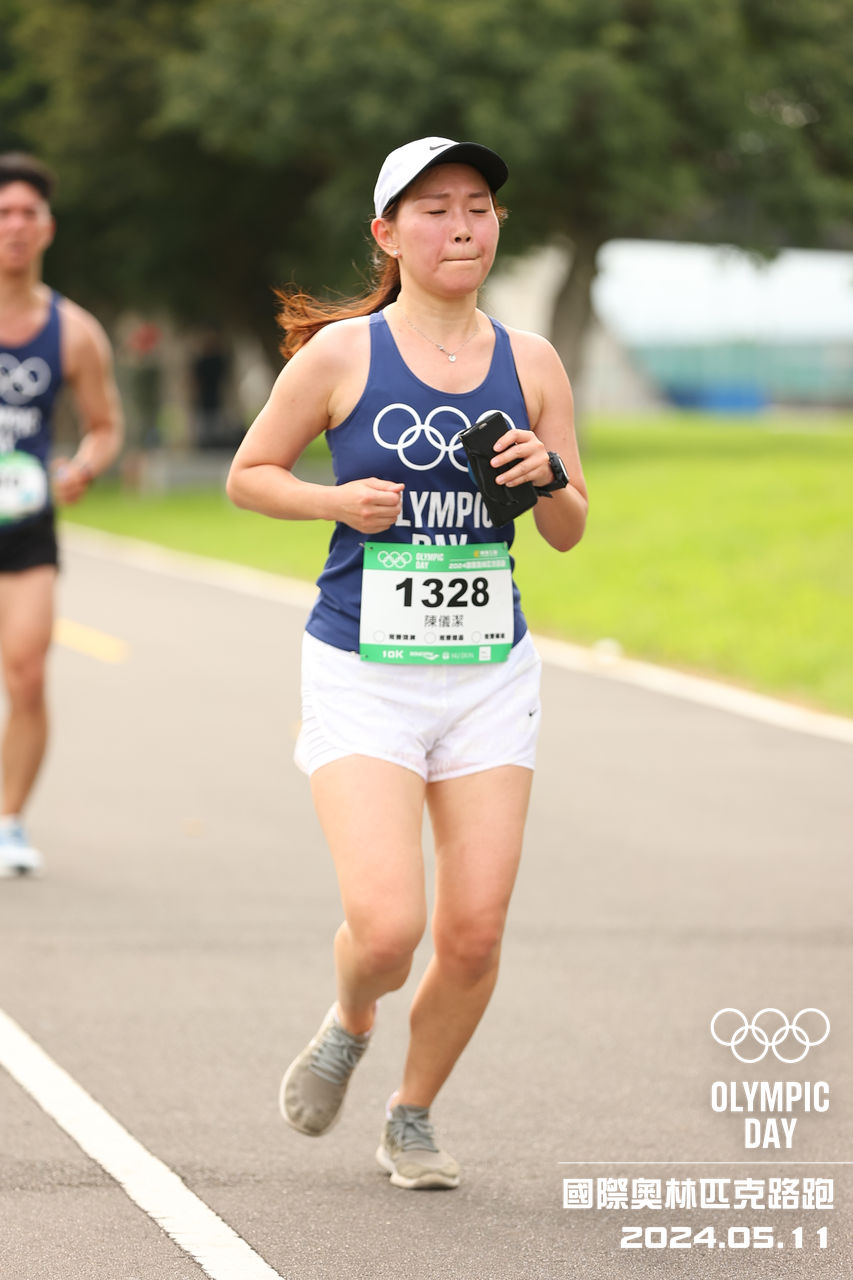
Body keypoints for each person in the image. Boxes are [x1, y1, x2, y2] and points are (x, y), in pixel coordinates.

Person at [226, 137, 588, 1189]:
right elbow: (250, 474)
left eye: (478, 207)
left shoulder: (532, 362)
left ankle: (411, 1114)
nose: (461, 226)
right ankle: (351, 1017)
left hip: (487, 675)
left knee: (471, 934)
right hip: (362, 668)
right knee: (388, 928)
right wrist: (333, 501)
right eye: (434, 209)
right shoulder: (341, 356)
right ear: (387, 234)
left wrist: (546, 472)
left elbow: (567, 529)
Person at [0, 153, 123, 876]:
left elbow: (105, 426)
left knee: (26, 677)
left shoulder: (73, 331)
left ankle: (8, 821)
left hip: (26, 528)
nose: (15, 226)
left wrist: (82, 467)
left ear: (47, 228)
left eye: (28, 214)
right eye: (3, 214)